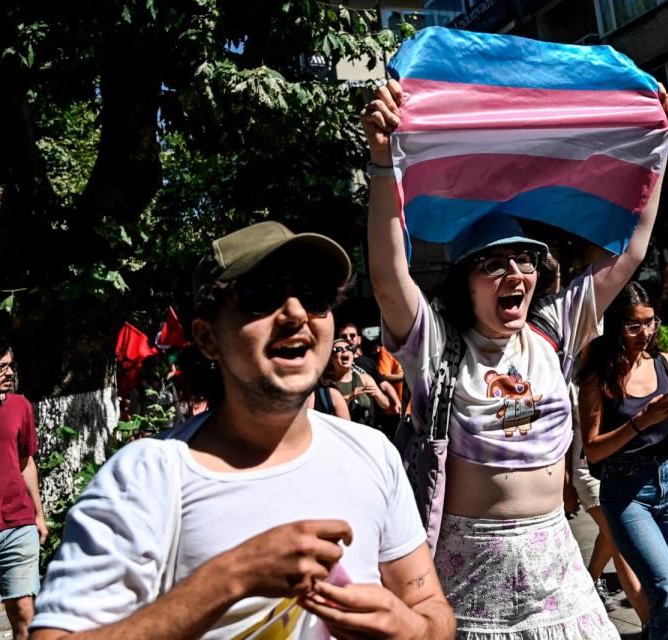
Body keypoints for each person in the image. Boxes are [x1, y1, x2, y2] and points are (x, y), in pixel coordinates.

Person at [362, 77, 668, 639]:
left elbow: (631, 249)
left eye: (525, 261)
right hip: (469, 578)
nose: (515, 275)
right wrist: (384, 161)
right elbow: (390, 277)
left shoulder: (554, 329)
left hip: (559, 571)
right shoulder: (438, 346)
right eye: (494, 264)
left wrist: (659, 143)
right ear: (465, 283)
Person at [30, 221, 455, 640]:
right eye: (261, 296)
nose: (294, 314)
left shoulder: (371, 453)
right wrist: (232, 576)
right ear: (206, 337)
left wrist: (410, 629)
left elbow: (429, 610)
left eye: (315, 296)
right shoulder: (147, 476)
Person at [578, 284, 668, 640]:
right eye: (634, 325)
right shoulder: (597, 376)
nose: (645, 333)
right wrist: (642, 419)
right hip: (626, 491)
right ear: (615, 326)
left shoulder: (665, 363)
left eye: (651, 323)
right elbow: (594, 449)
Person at [0, 337, 47, 640]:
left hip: (17, 523)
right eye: (0, 367)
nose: (9, 373)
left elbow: (26, 462)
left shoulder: (21, 406)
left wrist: (39, 513)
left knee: (23, 608)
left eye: (11, 366)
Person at [568, 383, 649, 624]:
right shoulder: (572, 377)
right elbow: (561, 432)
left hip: (621, 468)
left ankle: (590, 580)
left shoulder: (620, 373)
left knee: (611, 532)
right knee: (618, 536)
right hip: (586, 470)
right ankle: (648, 620)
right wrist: (564, 484)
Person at [328, 338, 391, 430]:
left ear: (353, 355)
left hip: (367, 433)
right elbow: (325, 413)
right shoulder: (327, 384)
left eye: (349, 348)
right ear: (331, 359)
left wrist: (377, 394)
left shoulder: (364, 378)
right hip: (342, 435)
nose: (345, 350)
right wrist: (350, 396)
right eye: (338, 349)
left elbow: (386, 404)